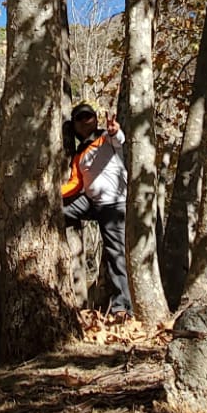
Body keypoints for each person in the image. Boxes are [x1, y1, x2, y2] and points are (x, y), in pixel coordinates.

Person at [62, 101, 131, 317]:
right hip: (91, 203)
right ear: (73, 125)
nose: (84, 122)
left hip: (113, 205)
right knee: (55, 211)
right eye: (79, 119)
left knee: (115, 253)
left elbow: (119, 138)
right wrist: (50, 195)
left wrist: (115, 130)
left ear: (95, 119)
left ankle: (122, 307)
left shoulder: (106, 138)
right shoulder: (79, 154)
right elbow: (74, 184)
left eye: (88, 117)